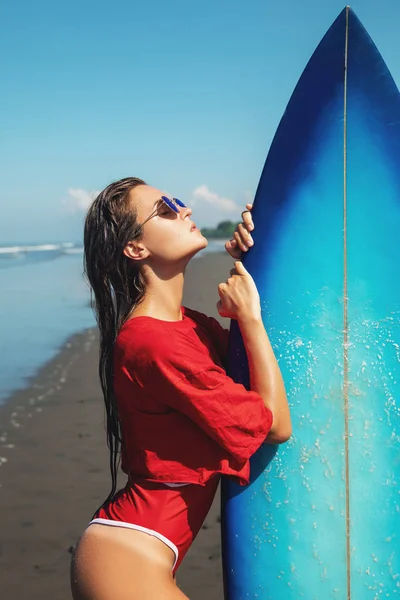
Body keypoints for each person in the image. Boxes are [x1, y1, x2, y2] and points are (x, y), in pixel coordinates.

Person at [70, 177, 291, 600]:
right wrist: (249, 319)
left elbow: (258, 375)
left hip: (138, 549)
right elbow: (274, 425)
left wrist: (254, 256)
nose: (186, 210)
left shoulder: (189, 326)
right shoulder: (153, 344)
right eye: (167, 209)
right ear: (136, 249)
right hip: (127, 557)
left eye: (181, 203)